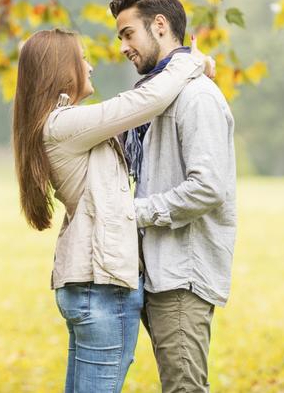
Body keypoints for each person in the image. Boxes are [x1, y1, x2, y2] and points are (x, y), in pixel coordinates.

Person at [12, 28, 214, 393]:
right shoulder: (64, 124)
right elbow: (140, 104)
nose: (90, 66)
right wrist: (189, 62)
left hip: (87, 282)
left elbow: (136, 110)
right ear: (62, 69)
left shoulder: (64, 125)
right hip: (101, 285)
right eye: (82, 58)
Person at [109, 0, 237, 393]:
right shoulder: (154, 95)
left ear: (159, 25)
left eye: (128, 34)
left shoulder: (197, 97)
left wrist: (135, 213)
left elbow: (208, 187)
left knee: (184, 389)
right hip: (156, 272)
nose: (124, 47)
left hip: (182, 276)